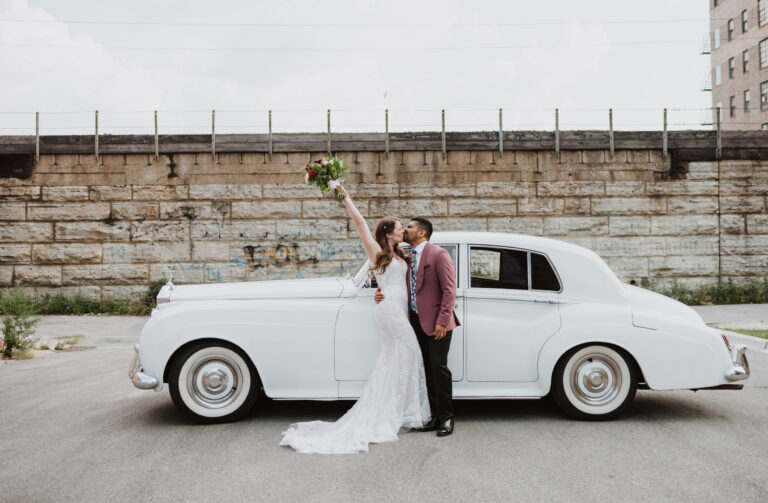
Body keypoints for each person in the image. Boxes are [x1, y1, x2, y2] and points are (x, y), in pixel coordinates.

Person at [279, 183, 431, 454]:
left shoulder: (399, 254)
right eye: (399, 226)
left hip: (396, 308)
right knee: (408, 352)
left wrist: (379, 290)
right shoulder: (376, 251)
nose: (402, 230)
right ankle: (398, 412)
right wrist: (343, 194)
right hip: (390, 312)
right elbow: (360, 223)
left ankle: (395, 410)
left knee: (397, 358)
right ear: (388, 231)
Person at [375, 217, 460, 436]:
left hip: (438, 323)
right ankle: (432, 416)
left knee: (439, 368)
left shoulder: (438, 254)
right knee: (426, 369)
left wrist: (442, 321)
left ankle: (446, 418)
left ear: (421, 232)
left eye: (410, 227)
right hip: (414, 321)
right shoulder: (408, 256)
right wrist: (379, 291)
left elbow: (450, 290)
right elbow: (397, 281)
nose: (405, 230)